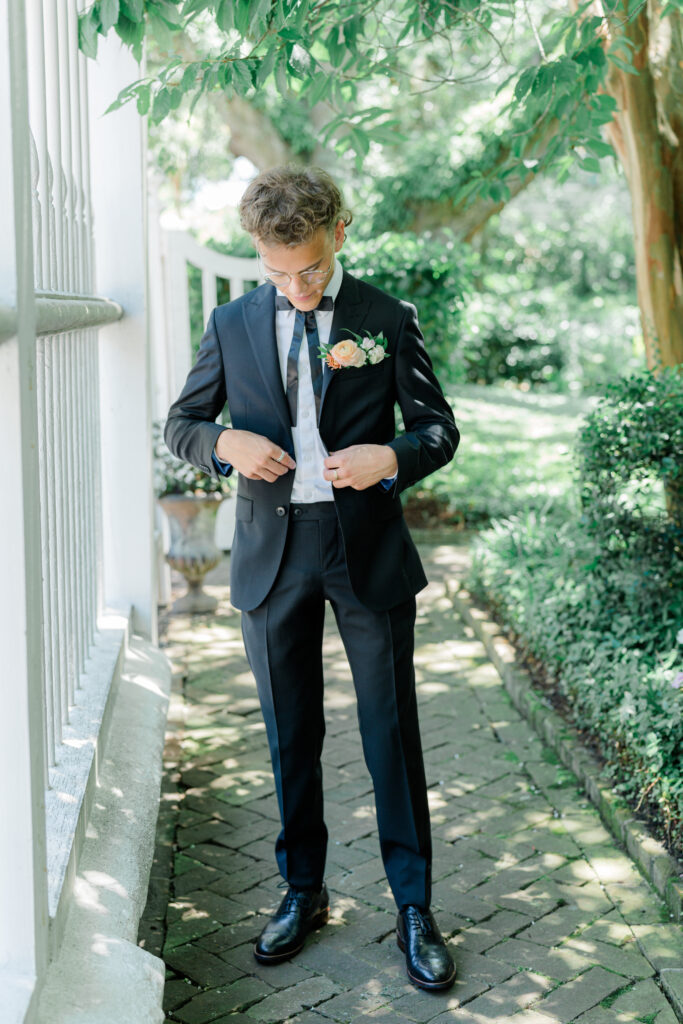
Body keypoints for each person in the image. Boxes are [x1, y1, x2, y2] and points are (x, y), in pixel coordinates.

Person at [164, 165, 460, 991]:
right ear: (256, 252)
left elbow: (437, 429)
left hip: (365, 550)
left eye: (311, 270)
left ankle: (413, 906)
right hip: (272, 552)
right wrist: (225, 445)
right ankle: (303, 890)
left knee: (388, 733)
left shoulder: (385, 319)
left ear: (340, 233)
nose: (295, 288)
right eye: (276, 271)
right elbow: (181, 424)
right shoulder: (228, 323)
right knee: (290, 732)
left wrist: (391, 456)